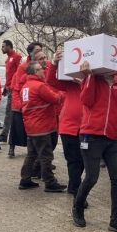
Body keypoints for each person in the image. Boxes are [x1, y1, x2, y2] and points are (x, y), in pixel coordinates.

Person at [71, 61, 117, 232]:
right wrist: (90, 76)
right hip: (90, 136)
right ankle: (77, 208)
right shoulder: (92, 79)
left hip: (112, 138)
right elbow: (86, 100)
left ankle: (116, 219)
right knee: (92, 177)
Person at [19, 61, 66, 192]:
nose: (43, 70)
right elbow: (55, 99)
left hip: (31, 126)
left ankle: (25, 179)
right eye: (40, 69)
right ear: (35, 72)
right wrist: (64, 93)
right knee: (46, 156)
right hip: (42, 126)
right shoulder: (39, 86)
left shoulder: (26, 87)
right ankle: (50, 182)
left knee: (31, 155)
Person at [47, 50, 86, 202]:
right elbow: (51, 81)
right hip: (69, 127)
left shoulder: (92, 82)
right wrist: (54, 63)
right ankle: (76, 190)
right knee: (74, 160)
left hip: (86, 128)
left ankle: (73, 185)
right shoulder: (69, 83)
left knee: (83, 161)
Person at [9, 42, 43, 157]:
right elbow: (19, 86)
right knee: (16, 127)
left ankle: (35, 154)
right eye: (37, 50)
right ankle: (12, 147)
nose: (40, 52)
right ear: (30, 53)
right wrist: (21, 104)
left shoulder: (42, 66)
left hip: (34, 102)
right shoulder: (23, 67)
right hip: (22, 101)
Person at [0, 39, 22, 143]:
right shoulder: (7, 60)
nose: (2, 48)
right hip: (9, 88)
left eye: (3, 46)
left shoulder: (17, 57)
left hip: (15, 88)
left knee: (9, 112)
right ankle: (5, 134)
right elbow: (8, 75)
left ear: (8, 46)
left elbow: (20, 73)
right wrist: (5, 87)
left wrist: (16, 87)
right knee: (9, 112)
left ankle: (4, 134)